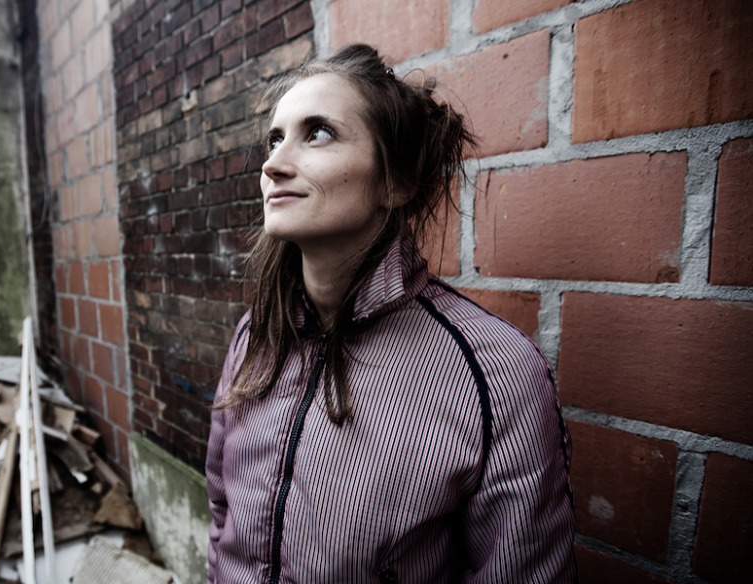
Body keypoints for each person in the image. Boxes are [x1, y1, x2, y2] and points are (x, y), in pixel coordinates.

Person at [205, 44, 576, 583]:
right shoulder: (254, 336)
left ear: (395, 182)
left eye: (319, 133)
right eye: (275, 138)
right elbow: (222, 509)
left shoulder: (496, 374)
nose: (273, 164)